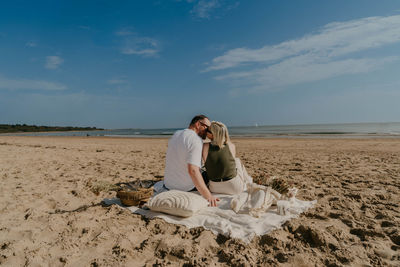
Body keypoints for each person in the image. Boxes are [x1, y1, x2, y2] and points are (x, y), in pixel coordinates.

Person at [164, 115, 220, 207]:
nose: (208, 131)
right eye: (207, 128)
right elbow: (193, 170)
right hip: (185, 187)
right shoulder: (195, 140)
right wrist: (208, 196)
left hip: (169, 184)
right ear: (198, 124)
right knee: (211, 173)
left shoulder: (177, 134)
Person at [202, 121, 246, 195]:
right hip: (234, 188)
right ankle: (246, 182)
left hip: (215, 188)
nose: (206, 132)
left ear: (212, 134)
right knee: (237, 161)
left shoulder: (205, 147)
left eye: (207, 130)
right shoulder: (231, 146)